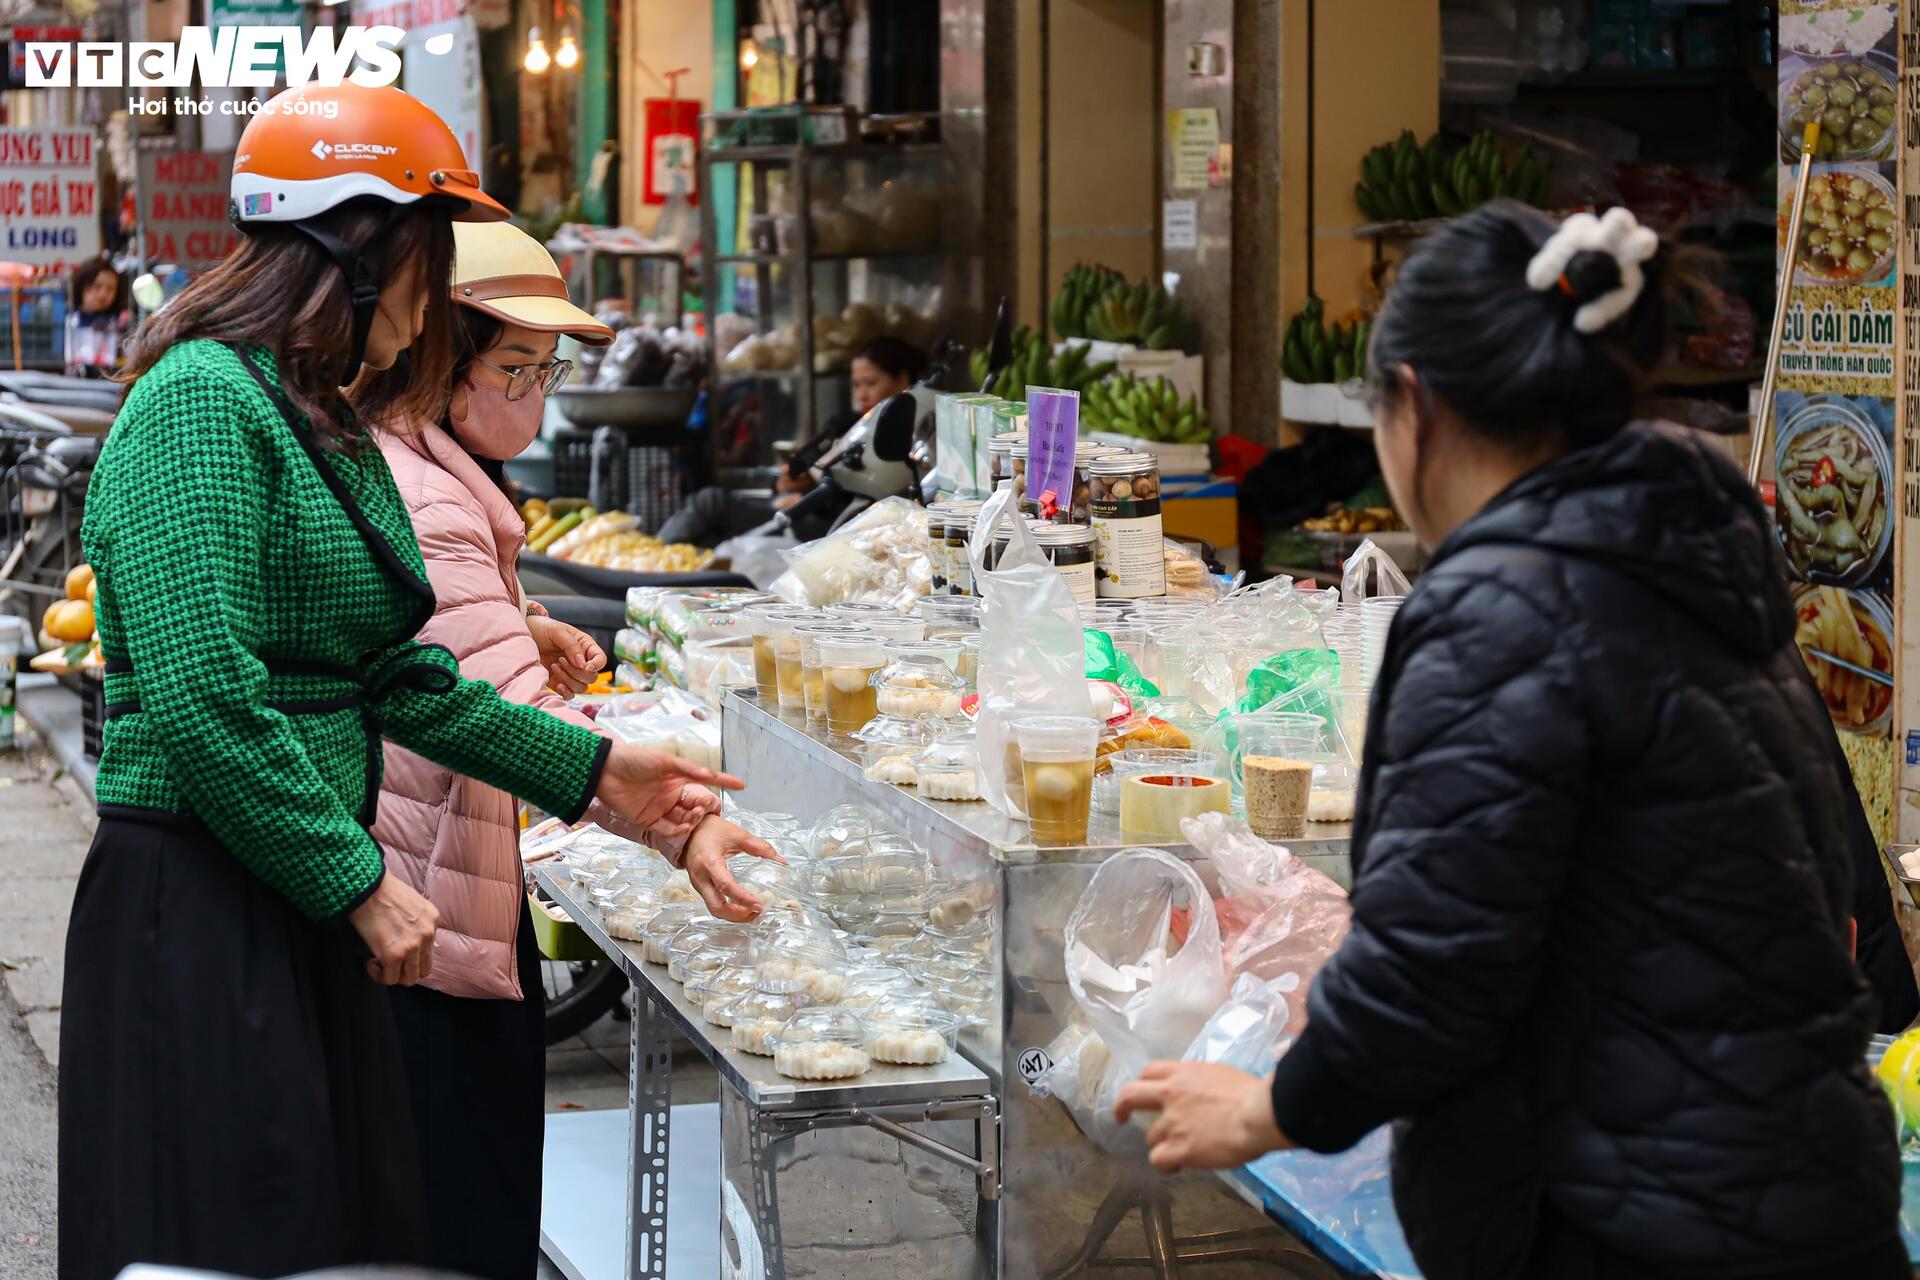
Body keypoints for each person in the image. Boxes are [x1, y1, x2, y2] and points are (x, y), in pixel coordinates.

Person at [1114, 203, 1909, 1280]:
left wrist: (1270, 1109)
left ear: (1415, 404)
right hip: (1808, 1200)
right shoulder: (1699, 562)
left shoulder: (1498, 609)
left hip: (1626, 1226)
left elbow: (1433, 964)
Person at [61, 81, 775, 1280]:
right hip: (203, 904)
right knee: (224, 1243)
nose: (435, 300)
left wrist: (610, 776)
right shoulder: (199, 402)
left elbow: (401, 675)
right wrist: (355, 881)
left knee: (341, 1242)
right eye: (426, 258)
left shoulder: (314, 416)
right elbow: (203, 697)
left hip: (293, 889)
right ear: (355, 246)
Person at [366, 219, 749, 1280]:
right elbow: (512, 724)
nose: (538, 395)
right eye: (518, 368)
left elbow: (447, 648)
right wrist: (679, 820)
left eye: (549, 370)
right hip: (435, 925)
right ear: (440, 363)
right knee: (459, 1221)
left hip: (434, 891)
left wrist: (518, 619)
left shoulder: (424, 469)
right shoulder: (430, 498)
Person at [656, 334, 927, 546]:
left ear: (902, 380)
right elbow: (811, 469)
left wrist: (808, 497)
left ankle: (655, 560)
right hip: (803, 508)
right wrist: (788, 483)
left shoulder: (909, 433)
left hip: (835, 527)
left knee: (711, 502)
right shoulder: (848, 423)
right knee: (710, 528)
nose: (861, 395)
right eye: (856, 385)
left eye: (870, 383)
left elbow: (873, 497)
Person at [63, 255, 129, 377]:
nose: (103, 294)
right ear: (83, 286)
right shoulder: (67, 318)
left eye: (110, 289)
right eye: (97, 286)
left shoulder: (118, 321)